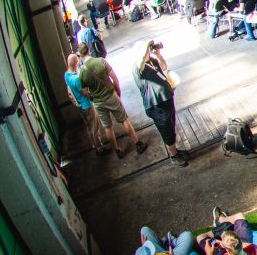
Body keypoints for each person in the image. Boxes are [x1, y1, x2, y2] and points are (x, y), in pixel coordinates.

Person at [77, 43, 146, 158]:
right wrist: (117, 91)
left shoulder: (82, 73)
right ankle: (137, 143)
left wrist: (93, 98)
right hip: (111, 95)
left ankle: (117, 150)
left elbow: (84, 92)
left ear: (80, 54)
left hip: (98, 102)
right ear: (88, 50)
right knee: (124, 120)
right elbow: (114, 78)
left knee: (108, 127)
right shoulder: (100, 61)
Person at [132, 39, 187, 167]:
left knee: (171, 125)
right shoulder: (137, 67)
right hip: (156, 105)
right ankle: (173, 156)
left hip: (166, 98)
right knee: (166, 129)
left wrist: (157, 54)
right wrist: (147, 44)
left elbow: (164, 67)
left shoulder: (151, 60)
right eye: (146, 51)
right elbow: (140, 60)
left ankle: (175, 151)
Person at [64, 53, 106, 155]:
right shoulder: (76, 80)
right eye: (77, 62)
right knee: (94, 127)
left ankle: (94, 145)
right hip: (87, 105)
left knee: (88, 126)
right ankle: (100, 148)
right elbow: (85, 93)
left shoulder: (67, 75)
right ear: (74, 63)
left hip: (80, 105)